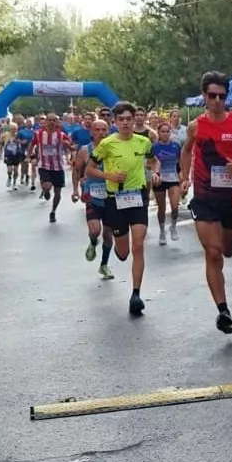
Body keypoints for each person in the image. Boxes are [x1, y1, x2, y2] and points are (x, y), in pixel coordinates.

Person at [180, 72, 232, 334]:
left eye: (222, 96)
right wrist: (184, 177)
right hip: (204, 196)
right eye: (212, 96)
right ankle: (223, 310)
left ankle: (222, 305)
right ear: (204, 96)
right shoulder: (196, 126)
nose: (217, 101)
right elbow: (186, 151)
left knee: (226, 251)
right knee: (213, 252)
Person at [87, 102, 160, 316]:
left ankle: (136, 294)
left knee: (138, 245)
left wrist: (154, 173)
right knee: (123, 251)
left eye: (129, 118)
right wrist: (108, 175)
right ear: (115, 122)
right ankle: (119, 250)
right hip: (115, 200)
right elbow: (90, 169)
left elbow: (154, 161)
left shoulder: (144, 142)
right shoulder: (106, 144)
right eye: (122, 120)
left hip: (137, 197)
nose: (126, 123)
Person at [72, 119, 115, 279]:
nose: (101, 133)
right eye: (97, 129)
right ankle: (92, 241)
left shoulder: (114, 149)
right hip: (92, 195)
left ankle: (104, 265)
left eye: (104, 129)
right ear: (91, 132)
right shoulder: (85, 150)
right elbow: (76, 171)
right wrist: (76, 190)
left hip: (111, 196)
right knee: (95, 230)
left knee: (108, 233)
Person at [29, 114, 71, 223]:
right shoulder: (38, 134)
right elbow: (32, 145)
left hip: (58, 167)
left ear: (57, 122)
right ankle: (45, 190)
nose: (52, 122)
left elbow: (70, 145)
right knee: (47, 186)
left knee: (57, 193)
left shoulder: (61, 135)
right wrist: (30, 157)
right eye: (50, 120)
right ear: (46, 122)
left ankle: (53, 211)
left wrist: (68, 145)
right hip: (44, 165)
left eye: (54, 120)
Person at [152, 122, 182, 244]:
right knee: (162, 208)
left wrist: (183, 177)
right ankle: (162, 231)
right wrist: (155, 173)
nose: (165, 134)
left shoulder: (176, 145)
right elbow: (150, 162)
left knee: (175, 206)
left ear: (170, 133)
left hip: (173, 178)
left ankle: (173, 227)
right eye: (162, 131)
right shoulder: (154, 147)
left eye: (167, 131)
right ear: (158, 133)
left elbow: (180, 162)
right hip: (159, 179)